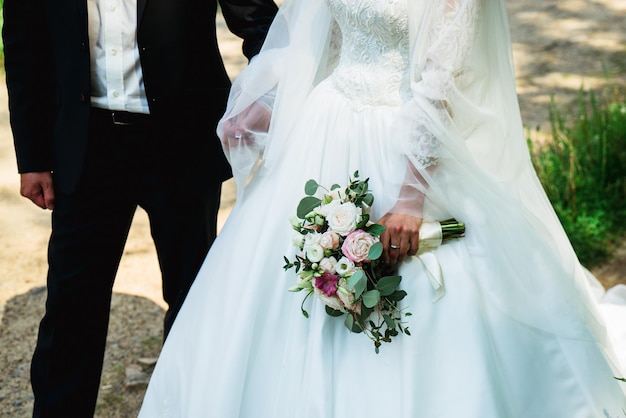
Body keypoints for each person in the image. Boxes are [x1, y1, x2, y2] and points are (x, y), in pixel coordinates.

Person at [139, 0, 626, 416]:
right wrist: (260, 110)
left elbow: (441, 81)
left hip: (405, 143)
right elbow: (322, 46)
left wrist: (410, 196)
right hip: (325, 128)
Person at [2, 0, 278, 416]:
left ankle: (191, 407)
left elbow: (261, 25)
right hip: (85, 146)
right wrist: (33, 157)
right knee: (70, 307)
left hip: (182, 142)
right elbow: (24, 46)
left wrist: (264, 99)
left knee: (192, 297)